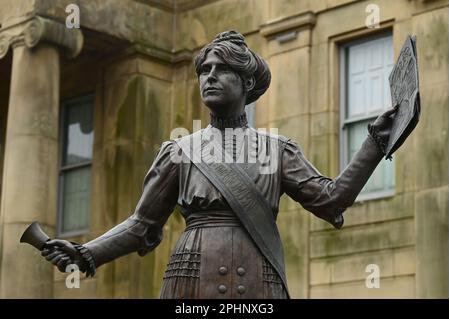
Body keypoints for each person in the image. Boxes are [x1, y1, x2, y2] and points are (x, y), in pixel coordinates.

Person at [41, 30, 400, 298]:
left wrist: (374, 142)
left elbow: (332, 199)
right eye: (204, 69)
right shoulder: (178, 151)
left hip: (257, 281)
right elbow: (141, 225)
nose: (209, 76)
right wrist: (87, 252)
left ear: (247, 81)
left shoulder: (278, 150)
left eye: (221, 69)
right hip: (190, 279)